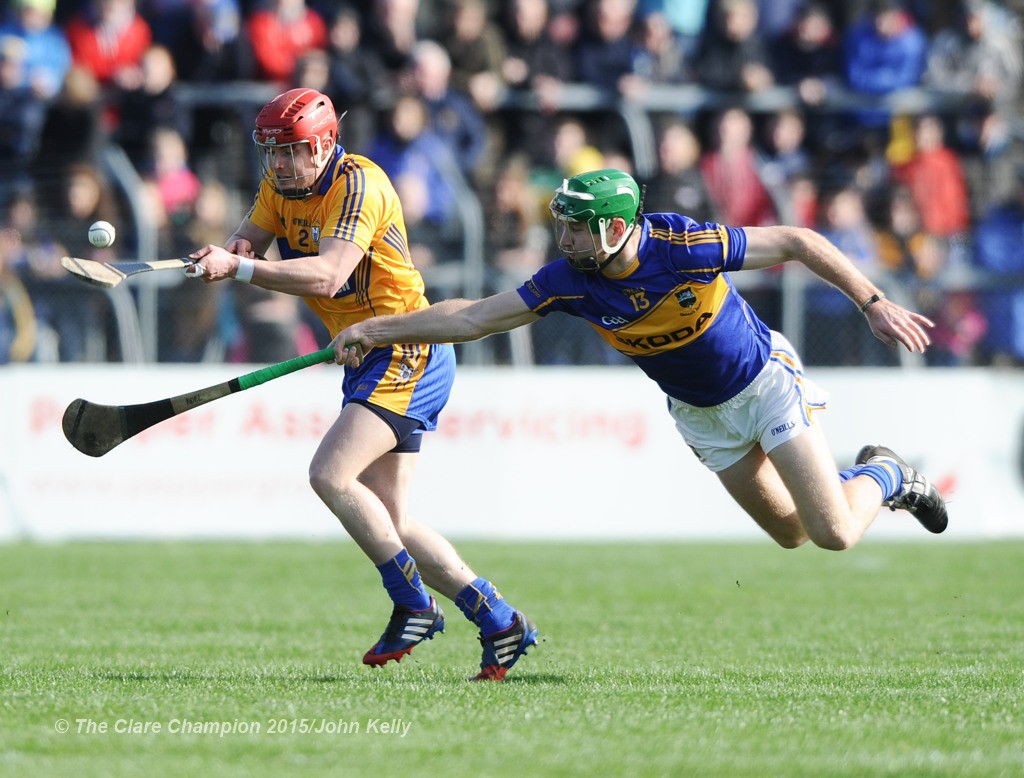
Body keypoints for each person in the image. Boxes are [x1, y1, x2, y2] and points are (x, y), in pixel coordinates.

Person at [332, 167, 950, 553]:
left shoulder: (682, 246)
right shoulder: (567, 280)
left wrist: (872, 301)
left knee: (835, 534)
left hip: (764, 383)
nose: (563, 239)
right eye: (562, 226)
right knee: (791, 534)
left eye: (575, 228)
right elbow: (472, 317)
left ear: (612, 229)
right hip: (701, 414)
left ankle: (887, 473)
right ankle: (865, 481)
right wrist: (378, 329)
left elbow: (797, 241)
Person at [186, 88, 537, 681]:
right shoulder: (281, 185)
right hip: (365, 354)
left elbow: (326, 277)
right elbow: (251, 240)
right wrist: (231, 252)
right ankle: (500, 621)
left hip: (407, 345)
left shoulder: (359, 184)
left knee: (328, 474)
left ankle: (413, 604)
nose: (281, 165)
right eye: (272, 153)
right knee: (393, 522)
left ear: (324, 143)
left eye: (294, 152)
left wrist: (241, 268)